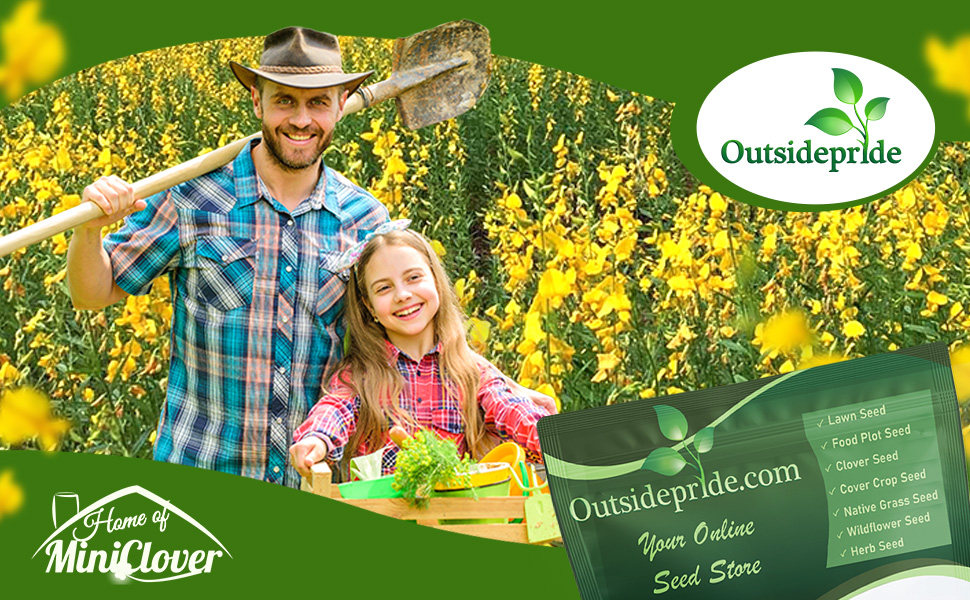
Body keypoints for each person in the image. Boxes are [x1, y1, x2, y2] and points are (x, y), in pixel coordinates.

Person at [66, 27, 555, 488]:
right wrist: (89, 230)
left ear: (341, 106)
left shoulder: (365, 219)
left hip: (319, 482)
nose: (301, 120)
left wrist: (494, 389)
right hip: (204, 467)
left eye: (317, 103)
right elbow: (93, 293)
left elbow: (407, 330)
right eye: (284, 101)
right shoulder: (191, 198)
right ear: (256, 99)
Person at [290, 223, 548, 479]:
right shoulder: (360, 376)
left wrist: (555, 439)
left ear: (435, 280)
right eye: (384, 288)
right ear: (369, 306)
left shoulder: (472, 371)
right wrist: (317, 438)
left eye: (413, 278)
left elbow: (511, 409)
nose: (402, 295)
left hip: (454, 516)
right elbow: (335, 408)